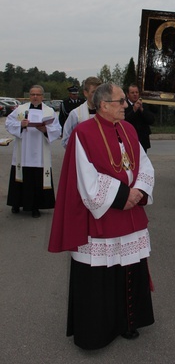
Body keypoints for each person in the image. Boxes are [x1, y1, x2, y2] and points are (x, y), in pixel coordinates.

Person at [48, 83, 155, 350]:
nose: (125, 105)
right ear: (104, 104)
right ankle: (97, 332)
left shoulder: (128, 129)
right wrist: (123, 196)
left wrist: (139, 191)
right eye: (121, 101)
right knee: (101, 276)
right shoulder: (83, 133)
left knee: (129, 268)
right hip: (102, 215)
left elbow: (144, 164)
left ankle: (128, 322)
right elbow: (86, 179)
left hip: (130, 214)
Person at [6, 84, 61, 218]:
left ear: (43, 96)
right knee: (20, 176)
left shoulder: (49, 111)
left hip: (40, 153)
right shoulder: (20, 109)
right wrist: (21, 124)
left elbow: (57, 129)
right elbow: (8, 123)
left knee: (36, 178)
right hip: (23, 150)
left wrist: (45, 130)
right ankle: (16, 203)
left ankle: (35, 207)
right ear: (29, 96)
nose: (35, 97)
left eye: (38, 94)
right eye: (32, 94)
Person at [61, 76, 101, 148]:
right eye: (94, 92)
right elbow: (66, 139)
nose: (98, 95)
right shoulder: (76, 114)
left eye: (99, 92)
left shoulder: (106, 112)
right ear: (85, 93)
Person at [124, 83, 156, 152]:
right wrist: (134, 110)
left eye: (136, 92)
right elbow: (124, 121)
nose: (135, 94)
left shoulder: (144, 104)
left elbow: (151, 120)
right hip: (129, 139)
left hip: (142, 140)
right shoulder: (124, 105)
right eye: (132, 93)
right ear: (127, 94)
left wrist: (142, 110)